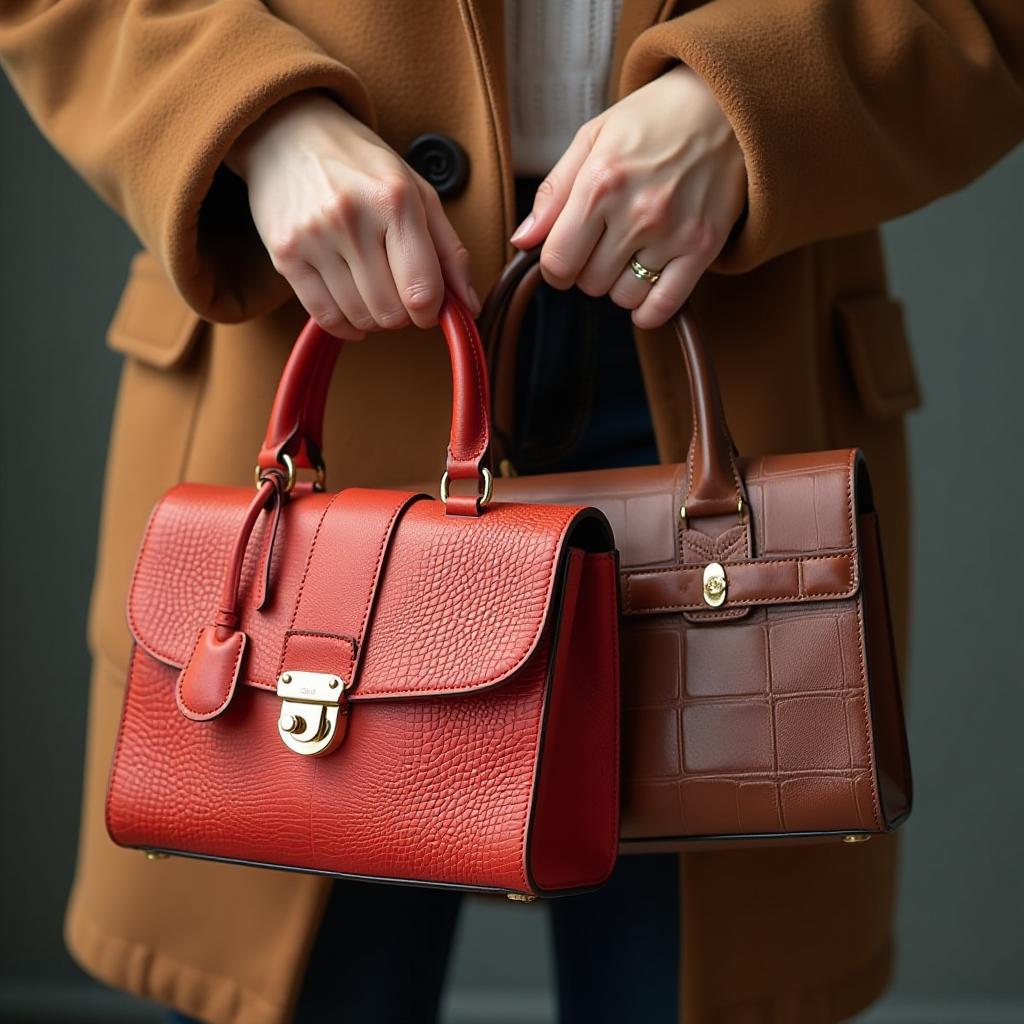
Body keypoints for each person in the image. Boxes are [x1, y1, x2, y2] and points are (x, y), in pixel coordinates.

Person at [2, 2, 1022, 1022]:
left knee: (688, 988)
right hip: (329, 283)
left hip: (718, 307)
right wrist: (250, 117)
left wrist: (753, 101)